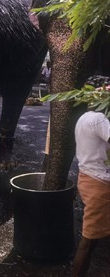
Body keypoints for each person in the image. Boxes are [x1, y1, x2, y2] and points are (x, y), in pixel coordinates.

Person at [72, 109, 110, 276]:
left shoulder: (84, 116)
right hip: (99, 184)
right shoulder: (100, 120)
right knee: (89, 240)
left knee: (92, 238)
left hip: (87, 177)